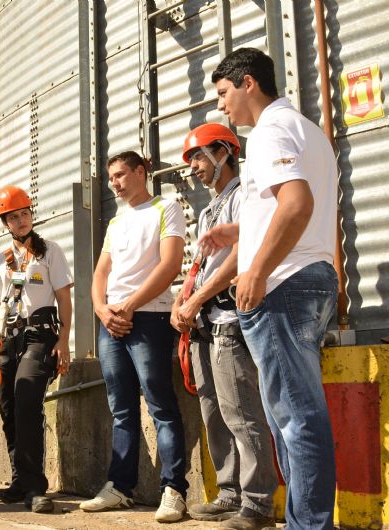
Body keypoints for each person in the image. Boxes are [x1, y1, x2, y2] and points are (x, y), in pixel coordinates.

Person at [200, 47, 339, 530]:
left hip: (283, 286)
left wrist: (256, 269)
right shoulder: (308, 131)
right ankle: (305, 520)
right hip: (313, 278)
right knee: (292, 416)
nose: (221, 106)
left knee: (296, 418)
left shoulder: (267, 133)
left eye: (223, 93)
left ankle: (308, 525)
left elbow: (295, 205)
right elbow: (298, 208)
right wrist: (240, 232)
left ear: (248, 84)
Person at [171, 123, 278, 529]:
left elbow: (239, 257)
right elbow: (201, 266)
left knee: (241, 411)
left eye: (198, 156)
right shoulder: (207, 210)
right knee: (213, 411)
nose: (193, 167)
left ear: (224, 153)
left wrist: (197, 299)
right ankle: (230, 492)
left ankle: (257, 504)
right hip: (202, 321)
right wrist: (183, 300)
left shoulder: (241, 199)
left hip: (228, 318)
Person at [83, 151, 189, 523]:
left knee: (160, 404)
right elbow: (100, 273)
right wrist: (102, 310)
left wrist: (129, 305)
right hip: (112, 322)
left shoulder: (167, 207)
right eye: (111, 177)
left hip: (150, 317)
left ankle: (174, 490)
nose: (115, 182)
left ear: (141, 172)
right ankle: (120, 487)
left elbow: (171, 264)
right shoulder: (116, 221)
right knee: (121, 409)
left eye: (121, 175)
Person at [0, 185, 73, 513]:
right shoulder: (2, 261)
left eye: (24, 214)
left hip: (39, 335)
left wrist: (64, 341)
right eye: (13, 217)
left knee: (28, 401)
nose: (20, 221)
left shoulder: (50, 252)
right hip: (6, 340)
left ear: (32, 214)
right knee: (9, 409)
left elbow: (63, 298)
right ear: (5, 222)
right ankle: (20, 480)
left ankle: (35, 488)